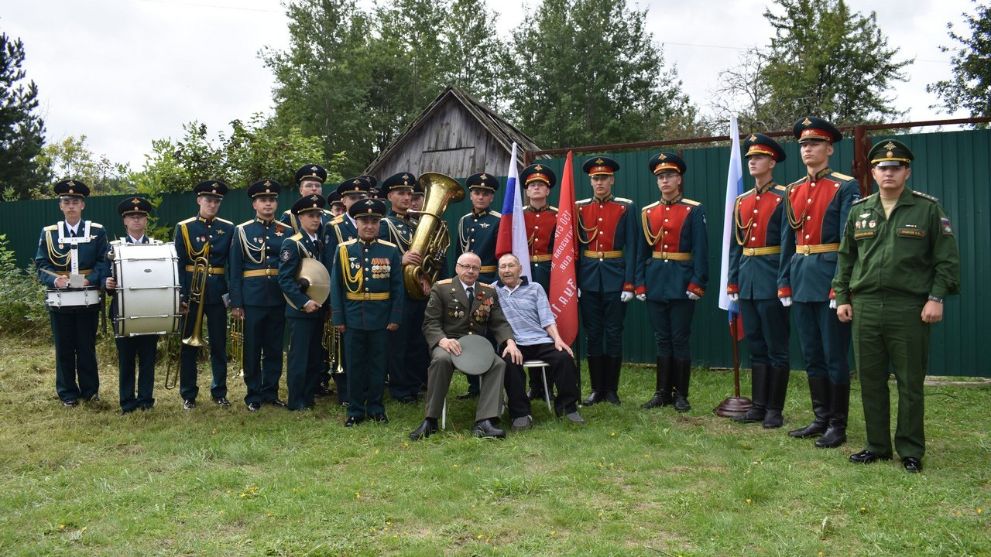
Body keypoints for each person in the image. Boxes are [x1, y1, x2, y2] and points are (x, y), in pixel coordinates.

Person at [834, 139, 960, 473]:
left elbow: (946, 260)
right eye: (882, 167)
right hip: (866, 306)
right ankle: (877, 445)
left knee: (909, 381)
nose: (888, 172)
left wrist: (936, 297)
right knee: (871, 379)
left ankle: (910, 449)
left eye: (896, 167)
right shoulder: (860, 210)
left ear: (907, 171)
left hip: (909, 307)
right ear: (873, 172)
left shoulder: (927, 209)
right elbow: (846, 258)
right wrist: (842, 297)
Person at [778, 116, 860, 448]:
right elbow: (787, 240)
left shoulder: (845, 186)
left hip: (829, 278)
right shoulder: (794, 189)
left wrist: (839, 288)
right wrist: (784, 281)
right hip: (801, 277)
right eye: (803, 145)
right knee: (811, 353)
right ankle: (820, 417)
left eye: (814, 144)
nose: (807, 149)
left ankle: (837, 425)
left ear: (829, 149)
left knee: (834, 355)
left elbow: (847, 241)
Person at [410, 252, 521, 440]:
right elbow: (430, 323)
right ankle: (431, 420)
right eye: (466, 266)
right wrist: (442, 340)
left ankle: (485, 421)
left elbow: (499, 322)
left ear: (479, 270)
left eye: (475, 268)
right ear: (457, 267)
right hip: (448, 343)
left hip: (476, 346)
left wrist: (509, 342)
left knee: (498, 364)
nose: (470, 271)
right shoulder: (442, 288)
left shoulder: (488, 291)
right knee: (441, 361)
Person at [635, 152, 708, 413]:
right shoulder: (648, 212)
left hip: (681, 282)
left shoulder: (693, 209)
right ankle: (662, 392)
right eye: (660, 177)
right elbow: (641, 252)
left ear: (679, 179)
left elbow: (701, 250)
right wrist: (640, 284)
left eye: (669, 176)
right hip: (655, 282)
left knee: (679, 339)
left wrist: (697, 283)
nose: (664, 181)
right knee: (661, 339)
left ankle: (681, 394)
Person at [728, 134, 791, 428]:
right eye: (750, 158)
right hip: (748, 279)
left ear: (772, 162)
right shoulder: (741, 201)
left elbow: (788, 245)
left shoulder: (784, 197)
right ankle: (758, 405)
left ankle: (774, 409)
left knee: (776, 347)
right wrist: (733, 281)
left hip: (771, 279)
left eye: (759, 158)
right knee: (756, 345)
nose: (753, 162)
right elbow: (735, 246)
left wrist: (784, 281)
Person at [35, 179, 109, 406]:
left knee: (86, 346)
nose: (70, 206)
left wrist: (90, 279)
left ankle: (90, 391)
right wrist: (54, 279)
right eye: (66, 201)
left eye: (75, 201)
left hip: (87, 294)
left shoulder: (97, 231)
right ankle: (67, 393)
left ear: (82, 205)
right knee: (64, 347)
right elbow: (41, 264)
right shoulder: (49, 234)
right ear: (60, 206)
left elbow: (103, 262)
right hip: (60, 298)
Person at [331, 198, 404, 426]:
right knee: (354, 365)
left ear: (379, 224)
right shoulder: (343, 250)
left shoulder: (390, 251)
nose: (369, 225)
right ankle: (354, 410)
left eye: (374, 221)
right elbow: (337, 287)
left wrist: (394, 317)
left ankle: (375, 407)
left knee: (378, 365)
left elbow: (397, 288)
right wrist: (339, 318)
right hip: (353, 318)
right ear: (356, 223)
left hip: (381, 318)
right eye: (364, 221)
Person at [576, 156, 639, 405]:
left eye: (603, 178)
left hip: (616, 276)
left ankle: (611, 390)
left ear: (612, 180)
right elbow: (572, 247)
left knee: (613, 333)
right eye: (595, 178)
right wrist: (575, 282)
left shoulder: (626, 207)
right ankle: (596, 389)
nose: (599, 182)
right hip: (588, 277)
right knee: (593, 334)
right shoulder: (580, 207)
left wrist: (630, 283)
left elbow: (633, 247)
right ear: (590, 181)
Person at [495, 254, 584, 428]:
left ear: (520, 269)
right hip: (514, 343)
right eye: (503, 267)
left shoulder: (535, 288)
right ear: (498, 271)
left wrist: (558, 340)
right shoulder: (492, 290)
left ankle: (568, 409)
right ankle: (520, 413)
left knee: (564, 358)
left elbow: (547, 317)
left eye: (511, 266)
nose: (506, 270)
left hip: (540, 340)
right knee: (509, 363)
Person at [229, 179, 293, 411]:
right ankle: (253, 395)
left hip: (278, 296)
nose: (268, 204)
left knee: (275, 348)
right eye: (263, 200)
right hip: (252, 298)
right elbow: (234, 270)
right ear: (254, 204)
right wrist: (237, 302)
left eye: (272, 200)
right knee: (253, 347)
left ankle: (271, 392)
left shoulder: (286, 231)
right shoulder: (243, 231)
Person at [174, 180, 235, 410]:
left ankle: (219, 391)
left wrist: (232, 295)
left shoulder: (228, 227)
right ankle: (188, 393)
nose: (212, 204)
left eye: (217, 201)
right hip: (192, 292)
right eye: (208, 199)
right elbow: (178, 264)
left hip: (218, 292)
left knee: (219, 344)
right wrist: (180, 294)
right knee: (188, 344)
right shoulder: (184, 227)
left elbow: (232, 264)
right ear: (199, 200)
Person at [104, 197, 160, 413]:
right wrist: (106, 283)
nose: (136, 219)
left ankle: (146, 400)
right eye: (131, 216)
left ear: (146, 221)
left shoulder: (157, 247)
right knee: (126, 359)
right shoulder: (113, 248)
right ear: (124, 221)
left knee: (147, 358)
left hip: (150, 310)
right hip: (123, 310)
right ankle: (127, 402)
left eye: (140, 216)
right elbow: (104, 274)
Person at [378, 172, 430, 404]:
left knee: (418, 341)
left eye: (410, 193)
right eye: (401, 193)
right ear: (390, 196)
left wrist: (427, 277)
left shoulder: (417, 223)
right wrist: (400, 259)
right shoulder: (384, 224)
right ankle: (400, 388)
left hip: (419, 291)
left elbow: (429, 257)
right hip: (398, 293)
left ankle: (416, 383)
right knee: (399, 343)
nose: (407, 197)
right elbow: (377, 259)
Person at [322, 176, 372, 404]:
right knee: (343, 346)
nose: (357, 201)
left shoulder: (373, 222)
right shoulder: (334, 226)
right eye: (353, 197)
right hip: (346, 295)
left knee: (368, 346)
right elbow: (330, 265)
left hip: (371, 295)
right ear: (343, 200)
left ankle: (368, 390)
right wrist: (334, 303)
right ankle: (346, 393)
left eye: (362, 197)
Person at [278, 194, 329, 411]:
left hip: (318, 307)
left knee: (314, 355)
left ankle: (308, 397)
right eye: (310, 215)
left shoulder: (320, 242)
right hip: (301, 310)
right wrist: (303, 302)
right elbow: (285, 279)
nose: (316, 219)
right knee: (299, 356)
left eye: (318, 215)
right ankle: (296, 400)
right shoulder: (293, 243)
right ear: (300, 218)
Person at [454, 172, 501, 399]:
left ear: (491, 197)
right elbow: (457, 255)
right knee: (469, 330)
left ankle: (488, 383)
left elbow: (502, 255)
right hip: (464, 284)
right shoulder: (463, 221)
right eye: (477, 192)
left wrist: (496, 285)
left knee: (488, 332)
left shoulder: (498, 220)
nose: (480, 196)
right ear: (471, 195)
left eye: (485, 193)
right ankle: (474, 385)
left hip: (487, 282)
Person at [520, 163, 559, 403]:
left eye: (541, 185)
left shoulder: (557, 215)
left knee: (550, 325)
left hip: (549, 274)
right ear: (526, 190)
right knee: (528, 327)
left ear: (547, 190)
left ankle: (550, 384)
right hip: (524, 274)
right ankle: (534, 386)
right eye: (532, 185)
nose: (536, 188)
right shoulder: (518, 215)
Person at [281, 164, 331, 233]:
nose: (314, 189)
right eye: (309, 186)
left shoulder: (330, 216)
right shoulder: (290, 217)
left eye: (317, 186)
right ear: (301, 190)